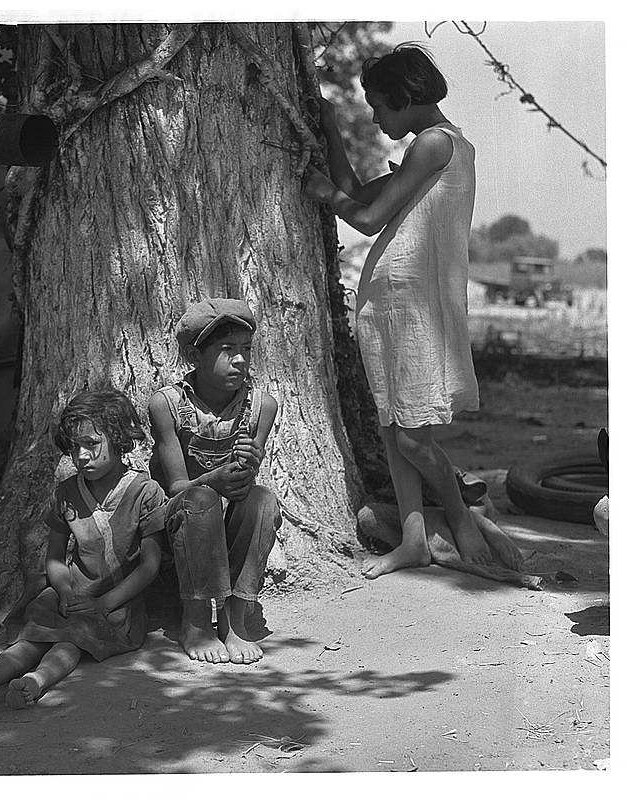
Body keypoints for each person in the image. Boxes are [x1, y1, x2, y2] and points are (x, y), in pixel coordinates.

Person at [303, 44, 492, 579]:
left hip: (414, 306)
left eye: (381, 106)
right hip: (388, 301)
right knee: (391, 427)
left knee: (412, 433)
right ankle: (413, 540)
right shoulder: (428, 150)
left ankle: (461, 520)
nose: (377, 118)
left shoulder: (435, 143)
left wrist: (325, 196)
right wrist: (330, 129)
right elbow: (358, 192)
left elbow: (363, 217)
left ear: (407, 98)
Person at [0, 387, 166, 708]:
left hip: (117, 602)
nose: (82, 456)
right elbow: (55, 557)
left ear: (119, 440)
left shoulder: (144, 493)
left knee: (72, 640)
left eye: (92, 444)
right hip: (70, 595)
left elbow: (149, 566)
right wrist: (64, 592)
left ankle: (34, 683)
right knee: (35, 636)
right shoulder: (66, 492)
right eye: (75, 448)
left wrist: (104, 603)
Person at [148, 298, 281, 664]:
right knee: (201, 499)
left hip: (223, 523)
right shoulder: (168, 405)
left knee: (264, 500)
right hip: (179, 523)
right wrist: (217, 479)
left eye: (246, 350)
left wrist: (244, 470)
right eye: (227, 350)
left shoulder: (260, 406)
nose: (240, 360)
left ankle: (234, 615)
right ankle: (196, 622)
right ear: (194, 355)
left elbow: (242, 484)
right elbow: (176, 488)